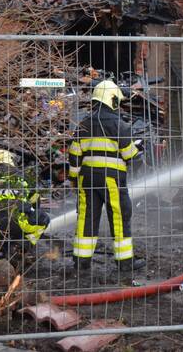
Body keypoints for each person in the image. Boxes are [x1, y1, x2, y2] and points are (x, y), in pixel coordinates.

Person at [67, 79, 145, 280]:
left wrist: (74, 178)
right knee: (119, 216)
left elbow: (74, 154)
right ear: (112, 100)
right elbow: (129, 154)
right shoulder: (120, 125)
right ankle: (125, 263)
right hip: (112, 180)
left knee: (86, 218)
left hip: (87, 179)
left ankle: (81, 262)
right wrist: (138, 152)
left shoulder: (83, 124)